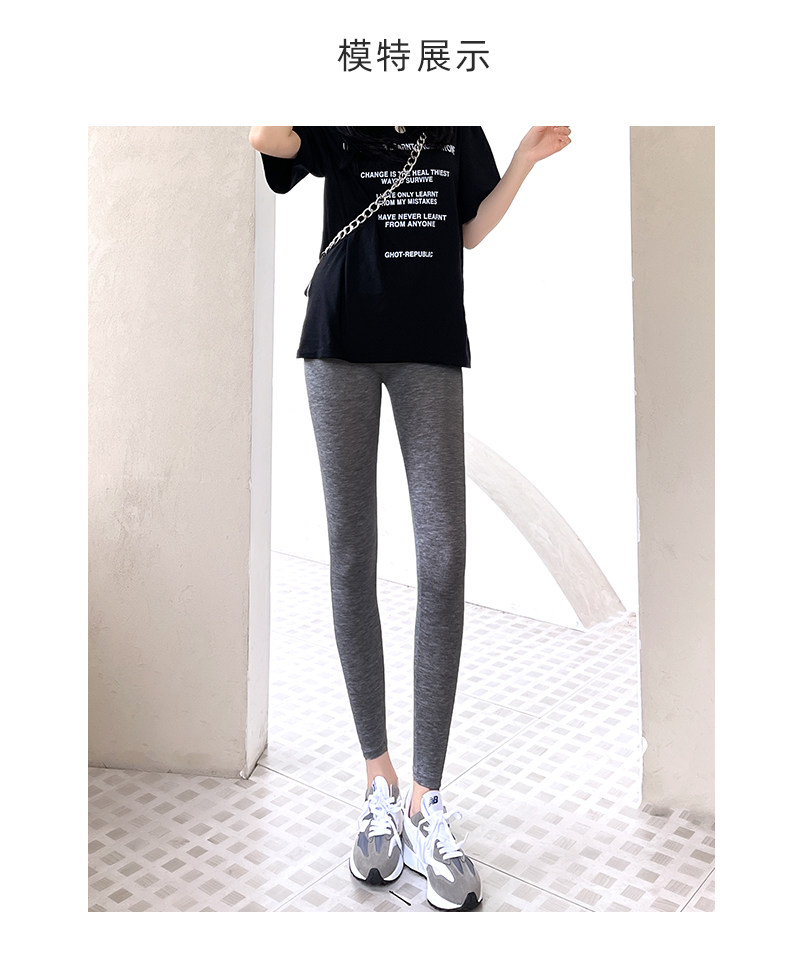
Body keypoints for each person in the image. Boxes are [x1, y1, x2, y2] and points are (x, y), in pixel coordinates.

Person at [249, 125, 572, 911]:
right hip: (339, 341)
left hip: (428, 344)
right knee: (352, 553)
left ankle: (428, 800)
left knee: (444, 554)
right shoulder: (338, 111)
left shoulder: (454, 122)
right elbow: (265, 135)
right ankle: (378, 783)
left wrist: (522, 163)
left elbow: (468, 229)